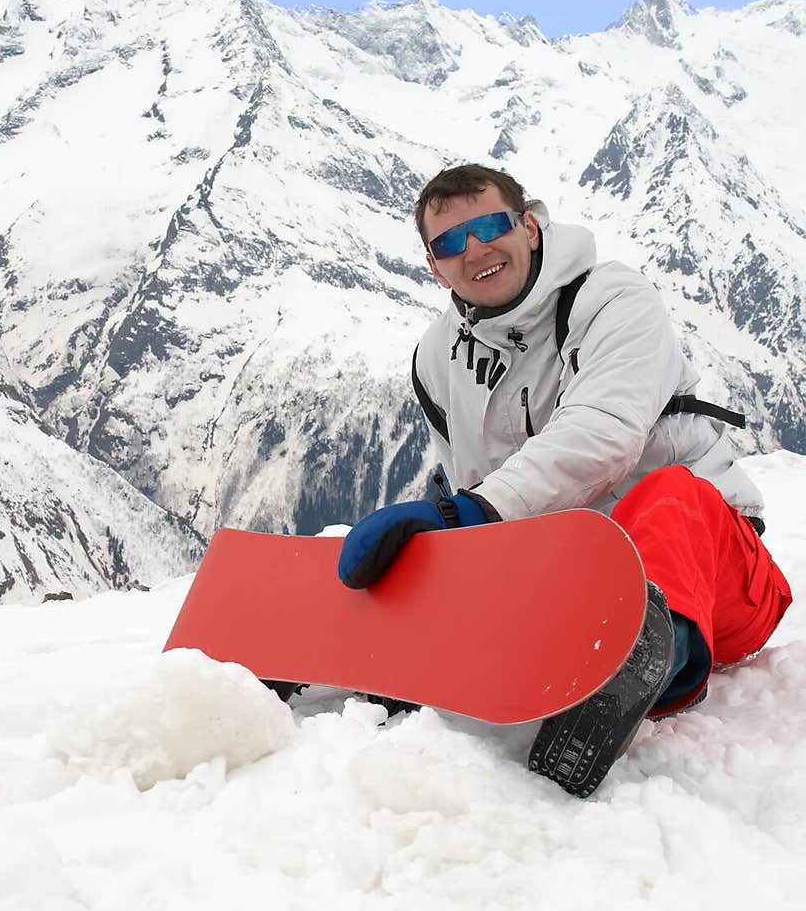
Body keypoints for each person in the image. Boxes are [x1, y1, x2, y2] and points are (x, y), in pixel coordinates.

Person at [337, 164, 793, 797]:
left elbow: (602, 432)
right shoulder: (435, 358)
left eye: (490, 225)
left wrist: (469, 513)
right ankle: (376, 660)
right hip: (571, 584)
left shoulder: (612, 299)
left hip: (717, 582)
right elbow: (476, 491)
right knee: (454, 535)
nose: (475, 250)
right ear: (433, 265)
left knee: (665, 495)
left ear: (529, 224)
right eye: (449, 243)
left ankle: (643, 665)